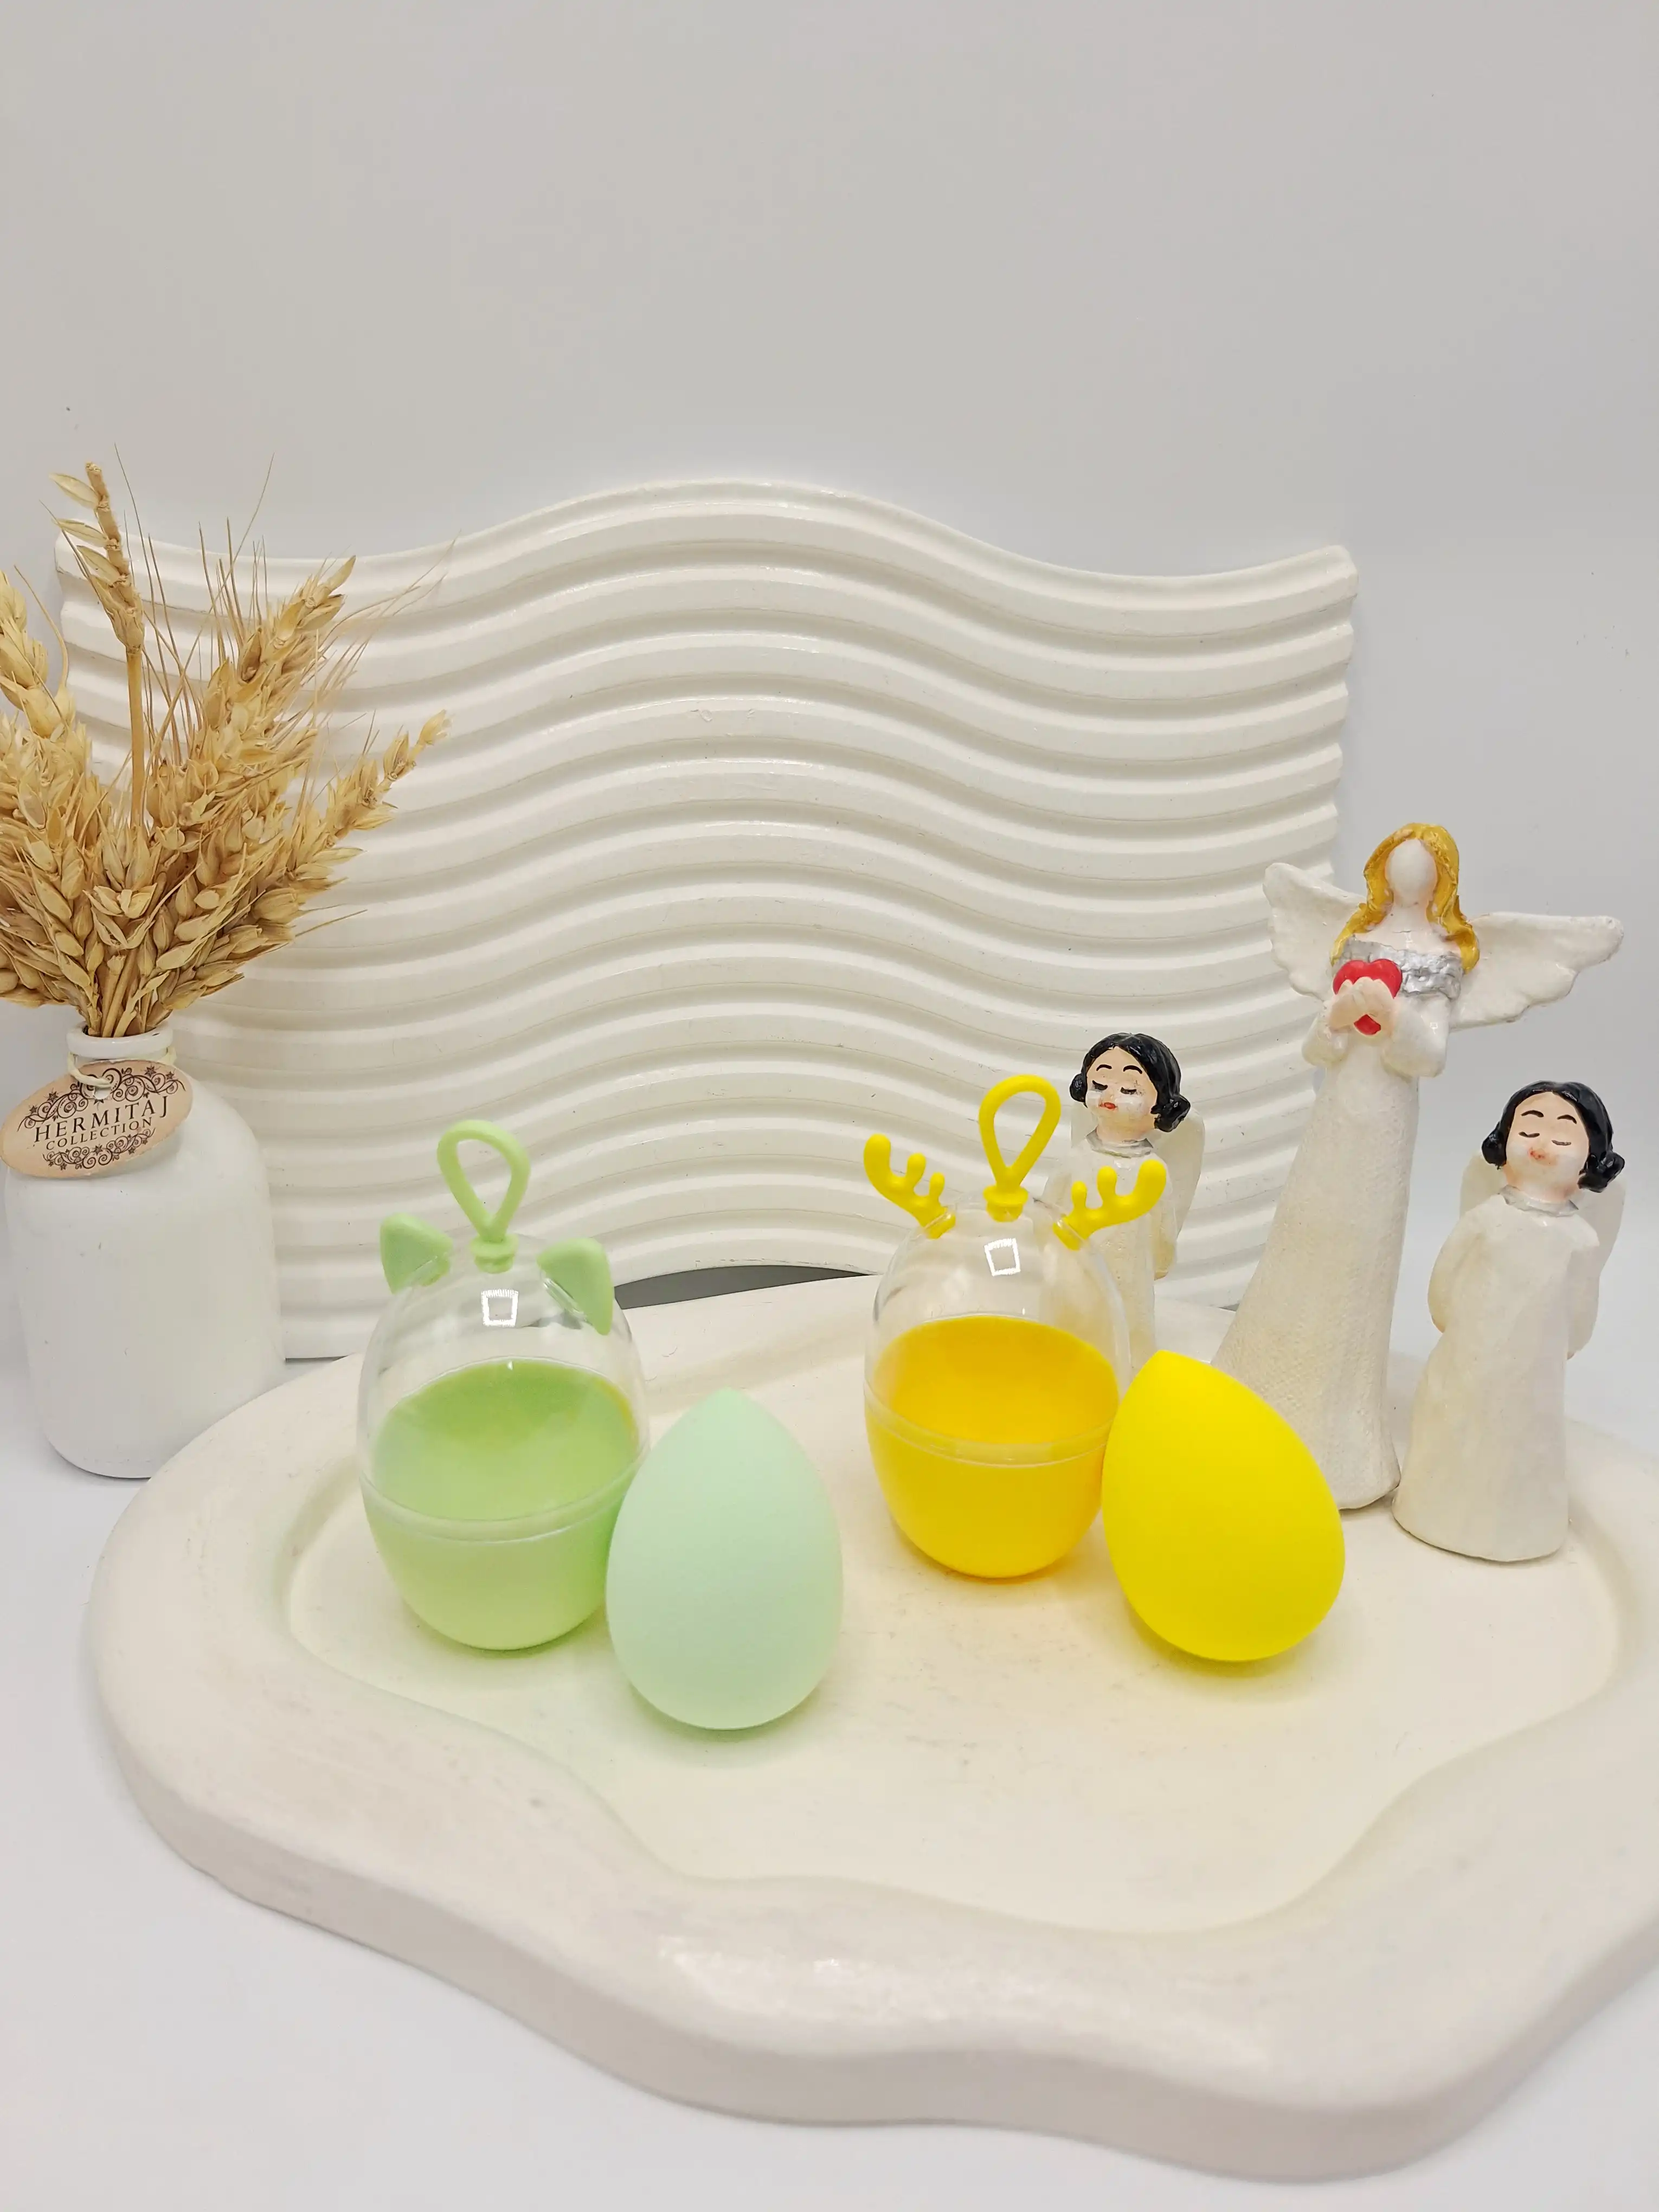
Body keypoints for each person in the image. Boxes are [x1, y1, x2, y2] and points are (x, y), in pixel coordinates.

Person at [1212, 824, 1620, 1508]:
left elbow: (1427, 1055)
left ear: (1442, 879)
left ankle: (1333, 1435)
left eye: (1423, 864)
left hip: (1385, 1117)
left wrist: (1394, 1017)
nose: (1407, 873)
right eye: (1397, 861)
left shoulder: (1443, 954)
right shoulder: (1355, 936)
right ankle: (1256, 1381)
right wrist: (1338, 1016)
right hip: (1337, 1111)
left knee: (1357, 1250)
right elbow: (1319, 1050)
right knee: (1303, 1233)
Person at [1392, 1082, 1623, 1562]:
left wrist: (1567, 1344)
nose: (1542, 1144)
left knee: (1522, 1436)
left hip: (1534, 1368)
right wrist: (1451, 1322)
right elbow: (1447, 1277)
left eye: (1563, 1137)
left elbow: (1582, 1304)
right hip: (1470, 1351)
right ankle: (1432, 1507)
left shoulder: (1580, 1239)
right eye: (1529, 1130)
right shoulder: (1487, 1219)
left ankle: (1516, 1525)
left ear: (1590, 1157)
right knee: (1455, 1420)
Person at [1042, 1032, 1203, 1372]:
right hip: (1078, 1262)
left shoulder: (1151, 1170)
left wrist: (1161, 1258)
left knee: (1128, 1322)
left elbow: (1163, 1223)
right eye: (1100, 1084)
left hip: (1129, 1268)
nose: (1110, 1096)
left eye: (1130, 1090)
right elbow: (1050, 1207)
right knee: (1075, 1313)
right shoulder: (1077, 1158)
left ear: (1160, 1106)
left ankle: (1128, 1369)